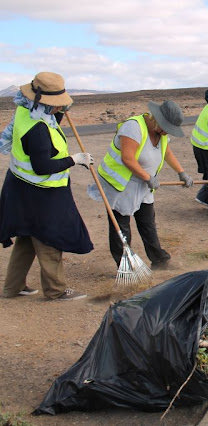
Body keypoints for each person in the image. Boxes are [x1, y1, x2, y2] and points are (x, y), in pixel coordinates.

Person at [0, 72, 94, 301]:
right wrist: (75, 160)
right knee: (48, 237)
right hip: (40, 191)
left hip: (20, 187)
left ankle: (13, 287)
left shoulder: (25, 110)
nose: (57, 108)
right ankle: (56, 290)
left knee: (27, 235)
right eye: (55, 105)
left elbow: (48, 128)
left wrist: (59, 113)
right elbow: (42, 165)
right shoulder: (37, 129)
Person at [97, 100, 193, 270]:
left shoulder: (161, 134)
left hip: (143, 184)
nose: (166, 132)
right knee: (121, 228)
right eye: (165, 127)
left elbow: (167, 152)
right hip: (121, 184)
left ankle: (159, 260)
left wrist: (181, 172)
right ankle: (125, 266)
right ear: (156, 118)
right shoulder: (133, 127)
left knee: (147, 222)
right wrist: (147, 176)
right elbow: (128, 158)